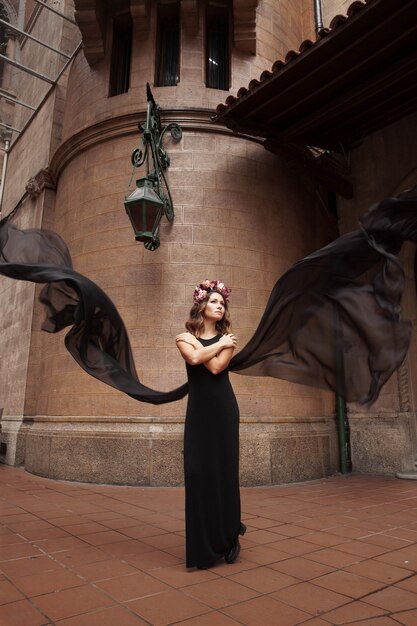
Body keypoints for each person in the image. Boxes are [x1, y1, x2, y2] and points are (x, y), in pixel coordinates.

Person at [176, 280, 246, 569]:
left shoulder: (229, 337)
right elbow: (193, 358)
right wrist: (217, 344)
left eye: (223, 303)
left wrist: (210, 346)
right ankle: (203, 545)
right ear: (201, 306)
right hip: (199, 413)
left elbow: (216, 367)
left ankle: (230, 536)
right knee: (197, 471)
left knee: (224, 471)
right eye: (215, 301)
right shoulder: (185, 337)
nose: (220, 306)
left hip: (224, 411)